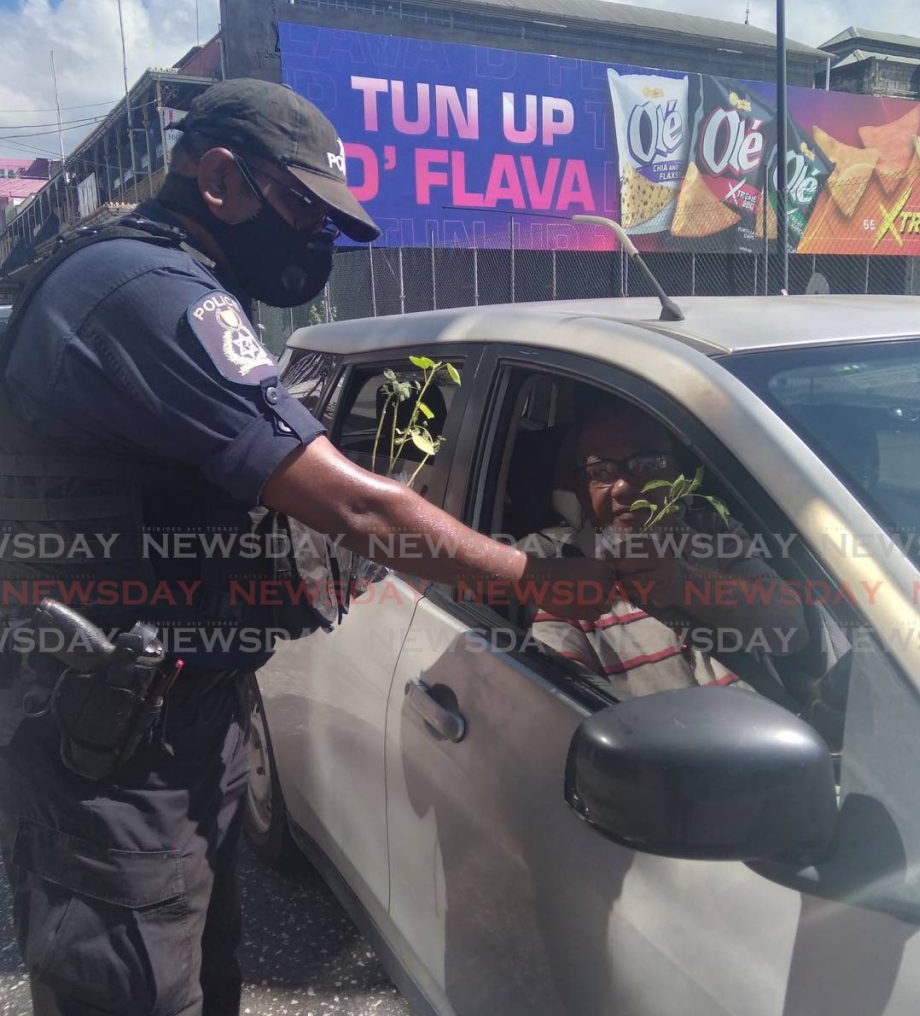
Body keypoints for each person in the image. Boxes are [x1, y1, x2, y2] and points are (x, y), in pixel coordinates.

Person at [0, 79, 612, 1016]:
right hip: (110, 746)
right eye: (303, 209)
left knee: (204, 981)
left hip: (170, 710)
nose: (316, 240)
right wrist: (537, 578)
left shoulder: (173, 279)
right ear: (219, 180)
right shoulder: (145, 291)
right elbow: (355, 509)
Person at [521, 402, 808, 698]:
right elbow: (566, 706)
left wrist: (684, 583)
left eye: (647, 464)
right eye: (601, 471)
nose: (623, 488)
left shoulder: (713, 530)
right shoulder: (561, 576)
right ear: (583, 490)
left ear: (675, 474)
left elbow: (792, 631)